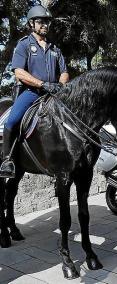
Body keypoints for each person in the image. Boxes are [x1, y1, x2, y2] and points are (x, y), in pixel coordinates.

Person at [0, 5, 69, 178]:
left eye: (47, 21)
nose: (45, 25)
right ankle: (7, 160)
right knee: (12, 121)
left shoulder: (55, 49)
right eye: (40, 21)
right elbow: (18, 72)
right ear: (32, 24)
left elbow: (65, 72)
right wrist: (42, 84)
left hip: (54, 94)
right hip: (31, 93)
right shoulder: (24, 45)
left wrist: (60, 85)